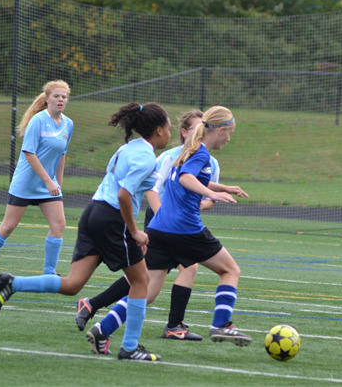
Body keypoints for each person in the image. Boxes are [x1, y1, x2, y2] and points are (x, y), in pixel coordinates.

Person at [0, 102, 172, 361]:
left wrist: (133, 229)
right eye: (169, 128)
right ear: (160, 130)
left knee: (73, 284)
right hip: (111, 218)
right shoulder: (146, 157)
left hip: (93, 212)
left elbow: (120, 188)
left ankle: (12, 283)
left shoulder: (127, 149)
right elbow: (123, 195)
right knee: (142, 282)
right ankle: (129, 348)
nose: (170, 133)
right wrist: (134, 231)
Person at [82, 105, 253, 348]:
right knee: (230, 271)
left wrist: (224, 188)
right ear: (221, 130)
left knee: (147, 291)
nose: (229, 139)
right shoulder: (202, 154)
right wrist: (212, 193)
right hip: (184, 228)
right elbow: (186, 178)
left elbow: (188, 176)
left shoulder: (188, 151)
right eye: (230, 133)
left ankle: (103, 328)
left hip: (159, 228)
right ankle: (221, 324)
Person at [0, 80, 73, 283]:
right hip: (26, 183)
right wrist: (48, 181)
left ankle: (49, 274)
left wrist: (57, 183)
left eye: (64, 96)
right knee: (8, 226)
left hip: (48, 185)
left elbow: (62, 154)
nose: (60, 99)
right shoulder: (38, 120)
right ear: (46, 99)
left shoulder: (68, 124)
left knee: (59, 224)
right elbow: (29, 153)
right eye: (56, 96)